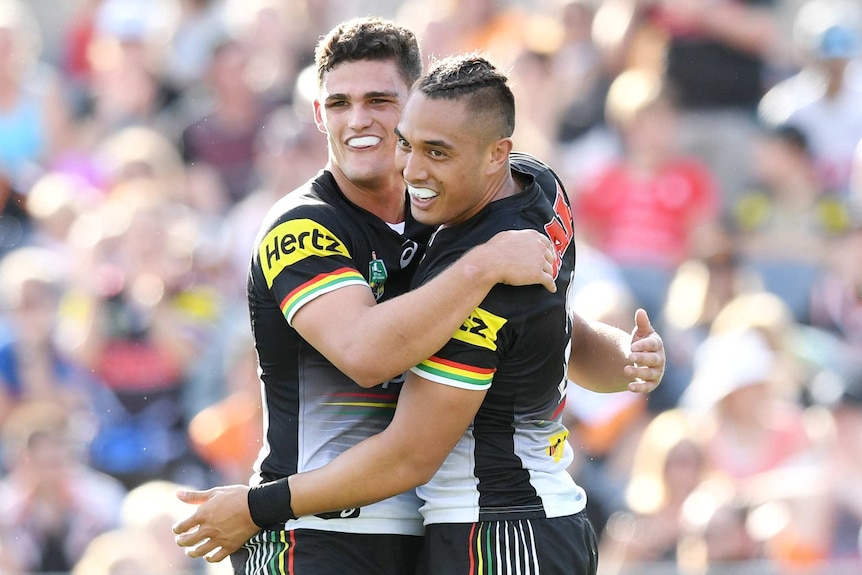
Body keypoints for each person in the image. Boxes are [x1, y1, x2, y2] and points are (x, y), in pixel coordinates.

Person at [174, 52, 665, 574]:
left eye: (379, 101)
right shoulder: (523, 196)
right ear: (318, 113)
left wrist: (255, 508)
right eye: (340, 102)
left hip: (494, 534)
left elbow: (408, 444)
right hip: (339, 536)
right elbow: (553, 329)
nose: (412, 165)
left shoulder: (482, 257)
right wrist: (624, 357)